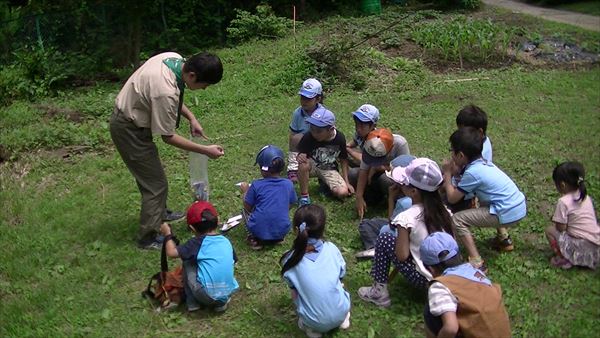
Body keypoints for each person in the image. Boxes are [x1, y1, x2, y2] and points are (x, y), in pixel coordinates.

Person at [110, 51, 225, 250]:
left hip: (135, 119)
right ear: (192, 76)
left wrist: (192, 118)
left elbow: (174, 96)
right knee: (156, 184)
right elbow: (168, 136)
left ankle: (160, 212)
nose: (204, 89)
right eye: (204, 85)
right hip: (129, 129)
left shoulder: (175, 60)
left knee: (153, 176)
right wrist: (205, 150)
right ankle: (148, 236)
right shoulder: (164, 90)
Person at [358, 158, 454, 308]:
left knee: (385, 238)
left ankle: (379, 292)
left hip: (426, 280)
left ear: (413, 192)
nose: (400, 185)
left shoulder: (407, 217)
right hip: (449, 277)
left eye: (404, 183)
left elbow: (402, 255)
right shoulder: (445, 212)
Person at [442, 127, 526, 271]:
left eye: (452, 151)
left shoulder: (473, 173)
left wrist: (447, 173)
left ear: (460, 155)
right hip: (517, 206)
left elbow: (452, 198)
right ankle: (503, 237)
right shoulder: (484, 163)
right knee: (486, 199)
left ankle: (477, 261)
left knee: (457, 219)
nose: (451, 155)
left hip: (507, 212)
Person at [420, 232, 511, 338]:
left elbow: (451, 328)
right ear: (460, 254)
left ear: (430, 269)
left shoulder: (440, 286)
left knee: (430, 312)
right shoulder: (474, 271)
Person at [281, 204, 351, 337]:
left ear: (296, 230)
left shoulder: (289, 260)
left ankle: (313, 328)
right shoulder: (332, 249)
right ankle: (342, 318)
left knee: (296, 291)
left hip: (313, 321)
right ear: (323, 229)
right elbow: (341, 274)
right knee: (339, 284)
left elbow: (293, 288)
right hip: (342, 311)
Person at [159, 201, 239, 312]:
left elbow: (171, 253)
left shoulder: (196, 243)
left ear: (192, 228)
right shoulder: (226, 241)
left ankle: (193, 303)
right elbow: (233, 261)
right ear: (218, 221)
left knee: (188, 262)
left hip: (205, 295)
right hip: (227, 292)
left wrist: (167, 234)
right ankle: (220, 304)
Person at [355, 154, 416, 259]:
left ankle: (375, 247)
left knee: (365, 224)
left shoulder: (403, 203)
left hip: (400, 239)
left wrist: (391, 199)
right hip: (415, 238)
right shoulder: (422, 197)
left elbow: (391, 224)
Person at [240, 145, 298, 250]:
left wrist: (245, 192)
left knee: (243, 211)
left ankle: (254, 239)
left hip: (258, 229)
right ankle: (278, 238)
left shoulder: (256, 185)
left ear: (263, 169)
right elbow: (292, 203)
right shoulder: (288, 184)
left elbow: (247, 207)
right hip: (282, 229)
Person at [545, 161, 600, 269]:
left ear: (562, 185)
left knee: (549, 231)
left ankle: (563, 258)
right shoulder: (586, 197)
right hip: (595, 245)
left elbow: (561, 228)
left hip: (580, 246)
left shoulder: (563, 202)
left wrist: (557, 221)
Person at [296, 107, 354, 205]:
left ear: (331, 129)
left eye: (318, 131)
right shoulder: (308, 136)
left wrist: (346, 181)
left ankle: (326, 185)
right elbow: (300, 154)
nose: (314, 133)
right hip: (312, 165)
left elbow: (343, 159)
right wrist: (300, 157)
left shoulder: (339, 138)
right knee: (303, 165)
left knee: (342, 193)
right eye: (312, 129)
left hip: (329, 168)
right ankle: (304, 196)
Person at [352, 127, 410, 219]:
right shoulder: (371, 143)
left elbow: (405, 172)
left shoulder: (400, 144)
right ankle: (374, 199)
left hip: (393, 176)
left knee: (385, 180)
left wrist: (379, 168)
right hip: (375, 173)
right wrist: (359, 196)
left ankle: (398, 204)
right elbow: (363, 170)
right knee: (353, 174)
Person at [287, 78, 324, 183]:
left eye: (308, 99)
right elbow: (293, 133)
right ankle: (293, 167)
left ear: (318, 99)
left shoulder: (323, 114)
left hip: (319, 143)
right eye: (302, 98)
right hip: (303, 143)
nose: (304, 101)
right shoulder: (297, 113)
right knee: (295, 137)